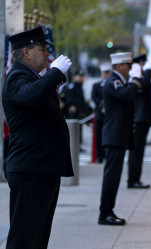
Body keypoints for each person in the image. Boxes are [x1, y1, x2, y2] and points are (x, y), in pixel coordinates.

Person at [2, 26, 73, 249]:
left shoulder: (32, 76)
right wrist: (56, 73)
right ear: (26, 52)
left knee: (39, 238)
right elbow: (31, 96)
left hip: (43, 167)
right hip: (31, 169)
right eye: (42, 48)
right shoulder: (17, 76)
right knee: (24, 240)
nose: (47, 54)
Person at [98, 52, 143, 226]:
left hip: (118, 136)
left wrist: (134, 81)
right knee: (111, 176)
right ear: (119, 66)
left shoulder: (120, 81)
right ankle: (105, 213)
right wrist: (135, 80)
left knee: (114, 176)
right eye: (128, 65)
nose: (131, 69)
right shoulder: (113, 81)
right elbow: (127, 94)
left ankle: (108, 211)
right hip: (114, 136)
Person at [127, 54, 151, 188]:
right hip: (138, 118)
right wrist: (148, 72)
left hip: (143, 118)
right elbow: (142, 85)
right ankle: (133, 179)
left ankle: (135, 178)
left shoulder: (141, 77)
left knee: (139, 151)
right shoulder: (135, 77)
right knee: (136, 151)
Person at [91, 63, 112, 163]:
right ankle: (100, 156)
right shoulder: (96, 85)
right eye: (104, 73)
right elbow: (94, 96)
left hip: (109, 115)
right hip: (100, 114)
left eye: (108, 73)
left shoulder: (112, 83)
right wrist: (100, 103)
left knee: (108, 136)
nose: (106, 75)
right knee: (98, 136)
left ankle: (107, 155)